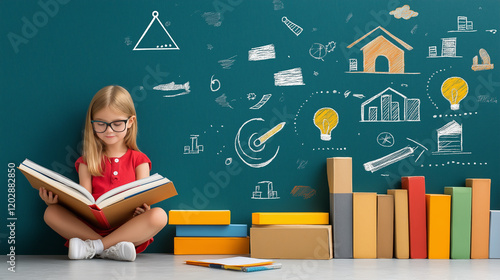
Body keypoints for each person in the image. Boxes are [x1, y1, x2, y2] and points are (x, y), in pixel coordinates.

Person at [39, 85, 168, 261]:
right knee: (51, 213)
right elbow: (84, 200)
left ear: (130, 122)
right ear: (92, 123)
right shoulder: (86, 161)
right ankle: (109, 248)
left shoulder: (139, 160)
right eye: (101, 124)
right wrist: (55, 201)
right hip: (91, 228)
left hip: (128, 228)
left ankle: (94, 247)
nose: (109, 130)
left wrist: (144, 210)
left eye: (116, 124)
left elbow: (144, 198)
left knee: (159, 216)